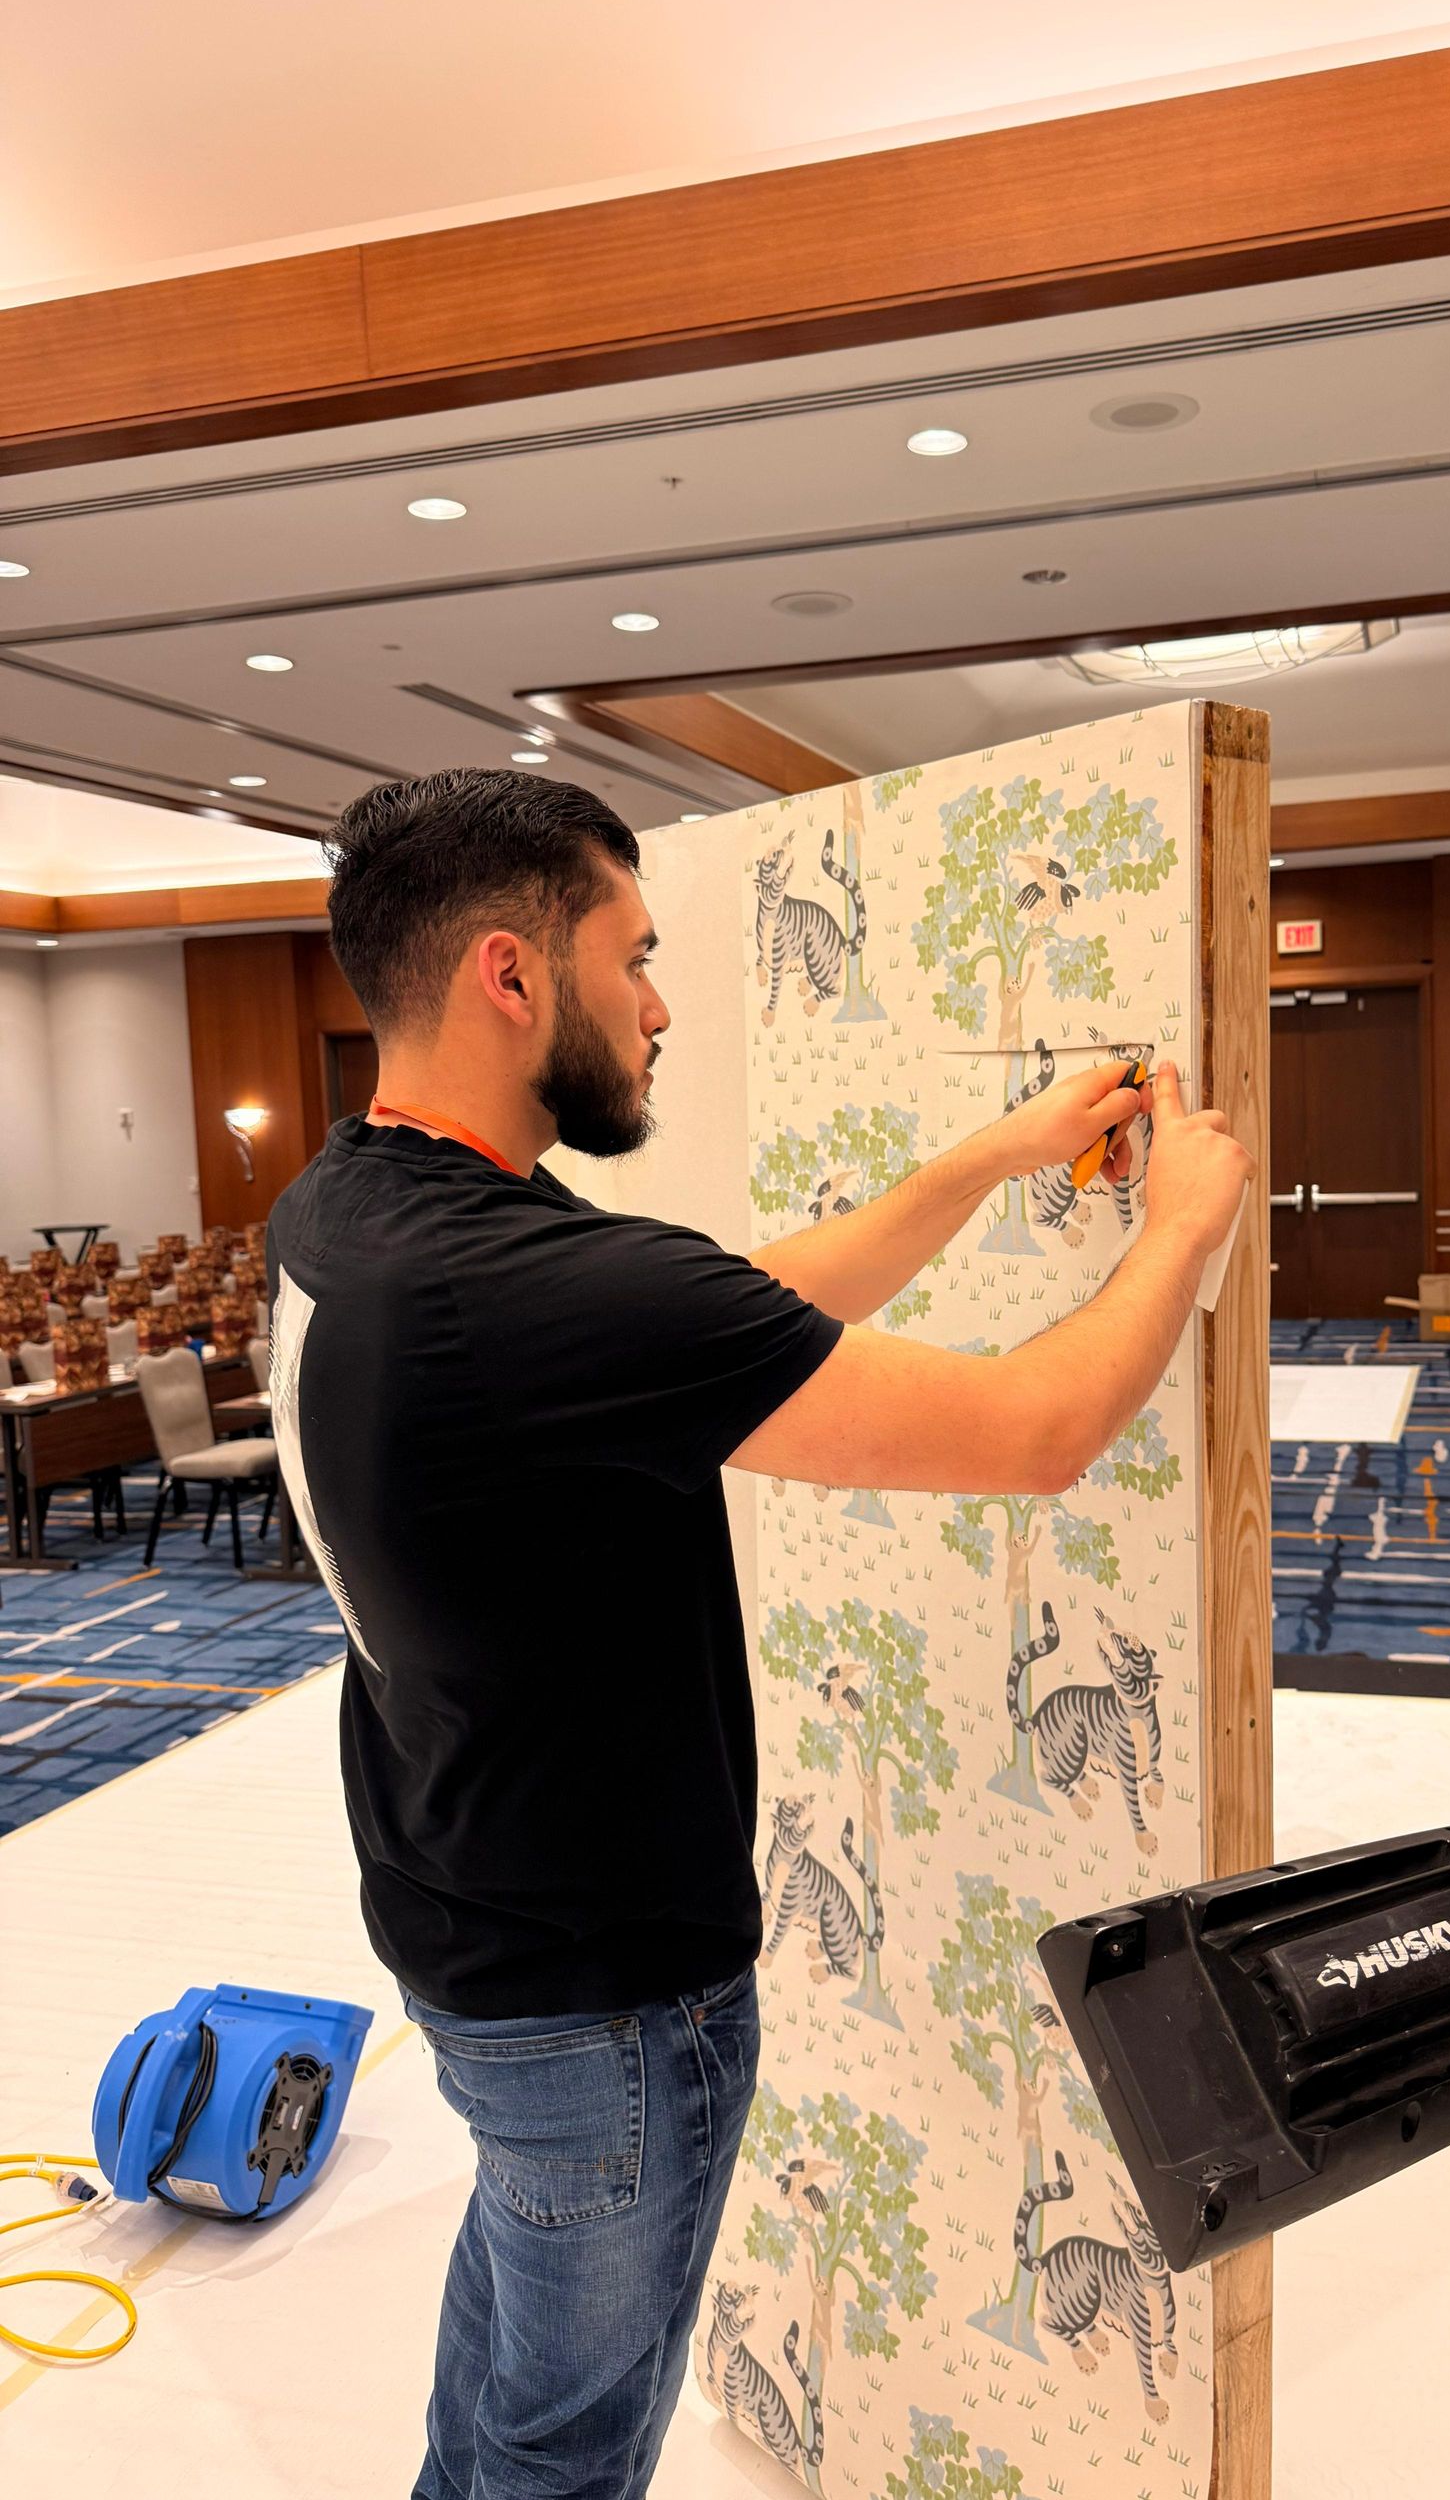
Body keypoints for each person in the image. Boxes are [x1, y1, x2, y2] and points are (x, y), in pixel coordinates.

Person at [267, 766, 1253, 2500]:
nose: (659, 1008)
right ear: (512, 977)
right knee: (565, 2457)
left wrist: (979, 1165)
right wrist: (1182, 1223)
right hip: (606, 2003)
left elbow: (732, 1317)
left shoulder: (359, 1211)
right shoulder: (531, 1289)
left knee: (498, 2412)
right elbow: (1033, 1431)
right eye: (631, 959)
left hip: (464, 1919)